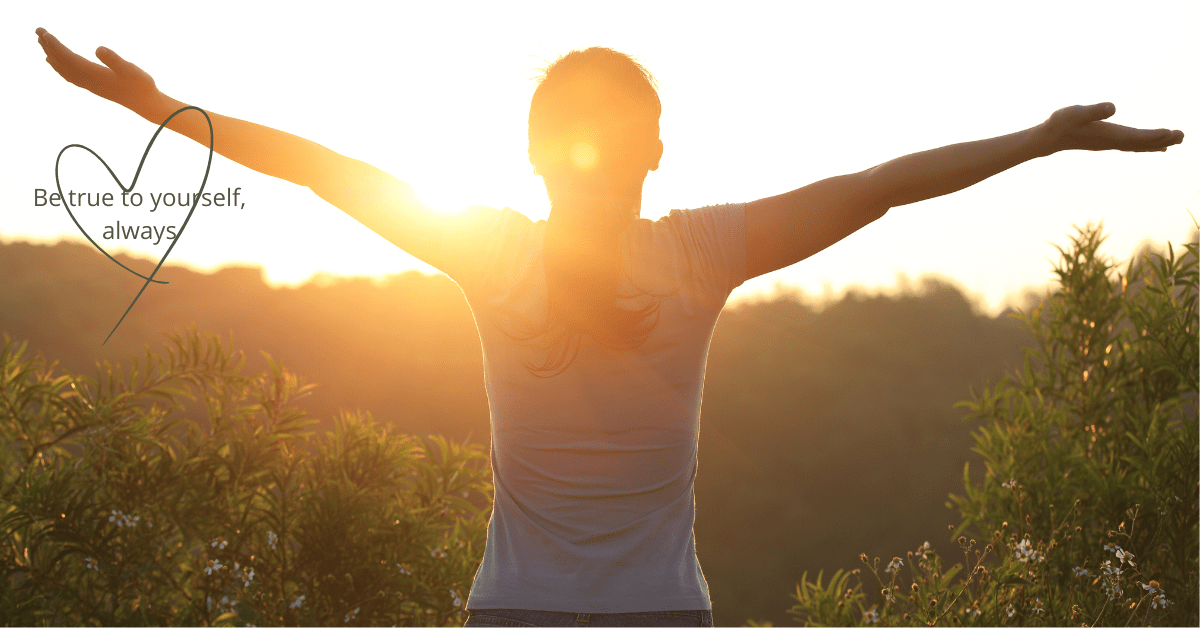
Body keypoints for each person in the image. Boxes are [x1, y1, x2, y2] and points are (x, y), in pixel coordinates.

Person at [35, 28, 1184, 628]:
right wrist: (1039, 139)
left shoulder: (494, 251)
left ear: (534, 154)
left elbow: (323, 169)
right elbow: (880, 186)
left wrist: (158, 107)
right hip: (659, 614)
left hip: (513, 611)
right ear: (655, 151)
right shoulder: (701, 251)